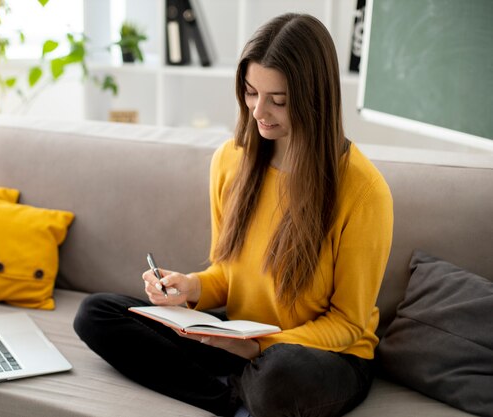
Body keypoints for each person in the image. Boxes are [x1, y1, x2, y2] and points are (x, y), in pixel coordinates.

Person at [74, 13, 393, 417]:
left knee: (279, 375)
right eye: (250, 92)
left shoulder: (363, 191)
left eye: (278, 100)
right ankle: (229, 399)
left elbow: (348, 324)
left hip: (323, 355)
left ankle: (243, 388)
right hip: (239, 339)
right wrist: (189, 287)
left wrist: (259, 347)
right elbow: (227, 274)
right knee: (96, 314)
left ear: (315, 97)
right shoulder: (231, 160)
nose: (260, 111)